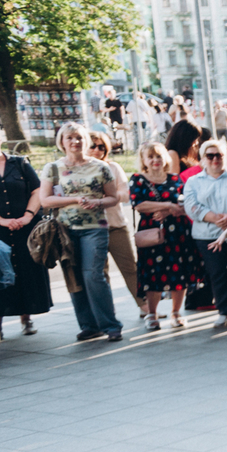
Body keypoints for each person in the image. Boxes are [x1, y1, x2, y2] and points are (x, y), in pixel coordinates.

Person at [39, 123, 124, 341]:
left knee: (93, 275)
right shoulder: (53, 168)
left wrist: (96, 202)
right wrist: (75, 199)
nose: (75, 142)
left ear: (85, 140)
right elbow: (45, 199)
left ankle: (111, 325)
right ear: (62, 142)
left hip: (94, 228)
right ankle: (88, 325)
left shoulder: (100, 167)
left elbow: (114, 198)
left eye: (79, 137)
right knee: (74, 276)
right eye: (70, 138)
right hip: (64, 231)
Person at [182, 137, 227, 331]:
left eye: (218, 155)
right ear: (203, 158)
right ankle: (224, 311)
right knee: (218, 274)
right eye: (210, 156)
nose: (215, 160)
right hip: (207, 234)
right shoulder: (194, 182)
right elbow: (191, 205)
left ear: (225, 156)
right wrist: (212, 217)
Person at [129, 141, 199, 331]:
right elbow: (138, 204)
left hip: (178, 232)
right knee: (153, 273)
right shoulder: (138, 179)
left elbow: (186, 205)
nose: (155, 160)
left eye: (158, 156)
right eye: (150, 157)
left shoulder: (175, 179)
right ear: (144, 160)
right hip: (152, 232)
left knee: (180, 272)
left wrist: (170, 211)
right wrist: (167, 206)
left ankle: (176, 312)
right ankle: (152, 314)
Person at [86, 131, 143, 319]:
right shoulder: (79, 170)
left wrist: (105, 198)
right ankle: (107, 313)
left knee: (130, 268)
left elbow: (126, 195)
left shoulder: (113, 167)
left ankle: (144, 306)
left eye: (101, 146)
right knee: (100, 274)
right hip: (90, 228)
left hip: (115, 224)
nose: (97, 150)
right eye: (93, 145)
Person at [0, 150, 50, 339]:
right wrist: (2, 221)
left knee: (25, 270)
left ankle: (26, 318)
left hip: (25, 228)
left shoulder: (19, 163)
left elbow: (37, 190)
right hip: (0, 230)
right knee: (0, 275)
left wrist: (28, 215)